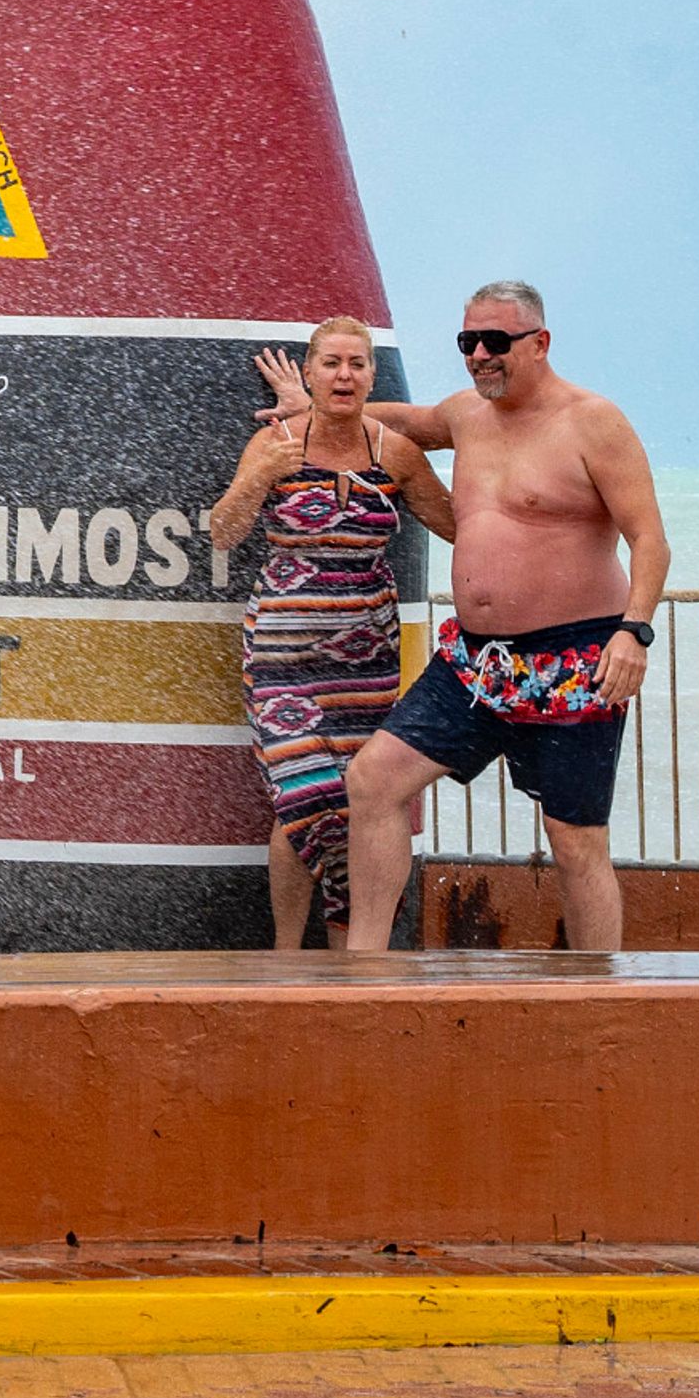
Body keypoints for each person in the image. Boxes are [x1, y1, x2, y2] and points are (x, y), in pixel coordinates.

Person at [267, 282, 670, 951]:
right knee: (372, 779)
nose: (479, 355)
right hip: (476, 660)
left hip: (573, 658)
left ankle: (596, 992)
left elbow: (649, 537)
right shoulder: (465, 414)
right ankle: (366, 967)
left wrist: (635, 631)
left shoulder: (592, 421)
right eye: (467, 342)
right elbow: (397, 420)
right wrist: (314, 405)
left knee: (574, 840)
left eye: (496, 342)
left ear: (540, 343)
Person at [209, 318, 455, 947]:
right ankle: (288, 952)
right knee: (304, 798)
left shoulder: (394, 453)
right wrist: (258, 477)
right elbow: (223, 532)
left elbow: (459, 525)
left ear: (372, 376)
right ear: (311, 372)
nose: (345, 375)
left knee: (360, 804)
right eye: (331, 364)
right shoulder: (275, 443)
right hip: (282, 656)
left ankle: (350, 950)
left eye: (357, 364)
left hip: (366, 660)